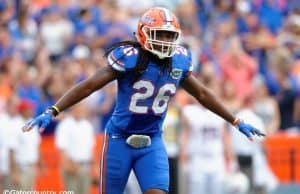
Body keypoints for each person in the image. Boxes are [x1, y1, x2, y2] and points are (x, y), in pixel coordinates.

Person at [22, 7, 265, 194]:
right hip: (119, 140)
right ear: (143, 33)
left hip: (153, 141)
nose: (165, 41)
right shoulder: (129, 58)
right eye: (160, 34)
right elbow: (88, 85)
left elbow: (202, 94)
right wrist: (54, 109)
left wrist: (235, 120)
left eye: (170, 36)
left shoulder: (178, 60)